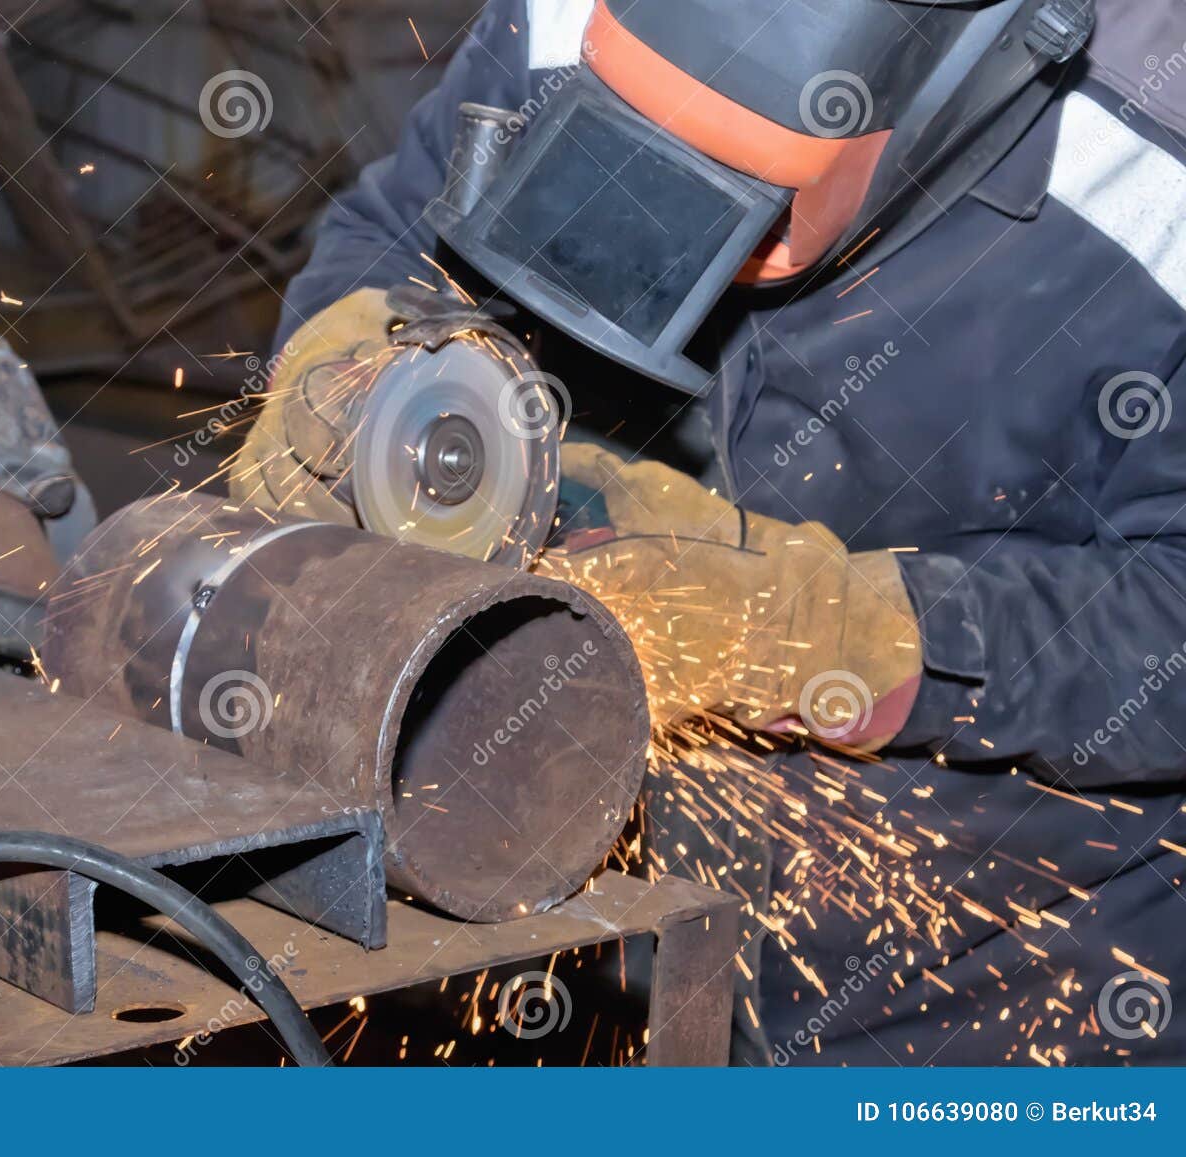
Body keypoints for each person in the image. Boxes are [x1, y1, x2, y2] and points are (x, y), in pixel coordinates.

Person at [231, 0, 1186, 1065]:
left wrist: (845, 629)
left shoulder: (1157, 160)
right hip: (577, 915)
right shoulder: (557, 18)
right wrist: (354, 360)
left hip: (999, 977)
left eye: (752, 199)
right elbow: (396, 236)